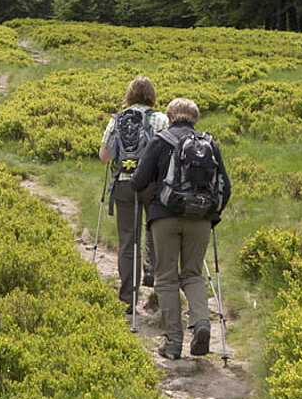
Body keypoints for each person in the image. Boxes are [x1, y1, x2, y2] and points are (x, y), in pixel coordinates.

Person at [130, 97, 231, 359]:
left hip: (165, 218)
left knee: (166, 278)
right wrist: (212, 213)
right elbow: (225, 187)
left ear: (170, 116)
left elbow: (138, 181)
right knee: (193, 274)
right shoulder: (210, 144)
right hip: (201, 220)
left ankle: (173, 342)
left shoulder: (161, 141)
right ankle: (201, 323)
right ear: (194, 118)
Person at [99, 75, 166, 315]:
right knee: (157, 233)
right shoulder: (160, 119)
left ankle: (128, 298)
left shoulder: (116, 119)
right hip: (152, 185)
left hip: (124, 185)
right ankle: (157, 282)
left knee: (128, 241)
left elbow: (104, 155)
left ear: (129, 95)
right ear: (152, 95)